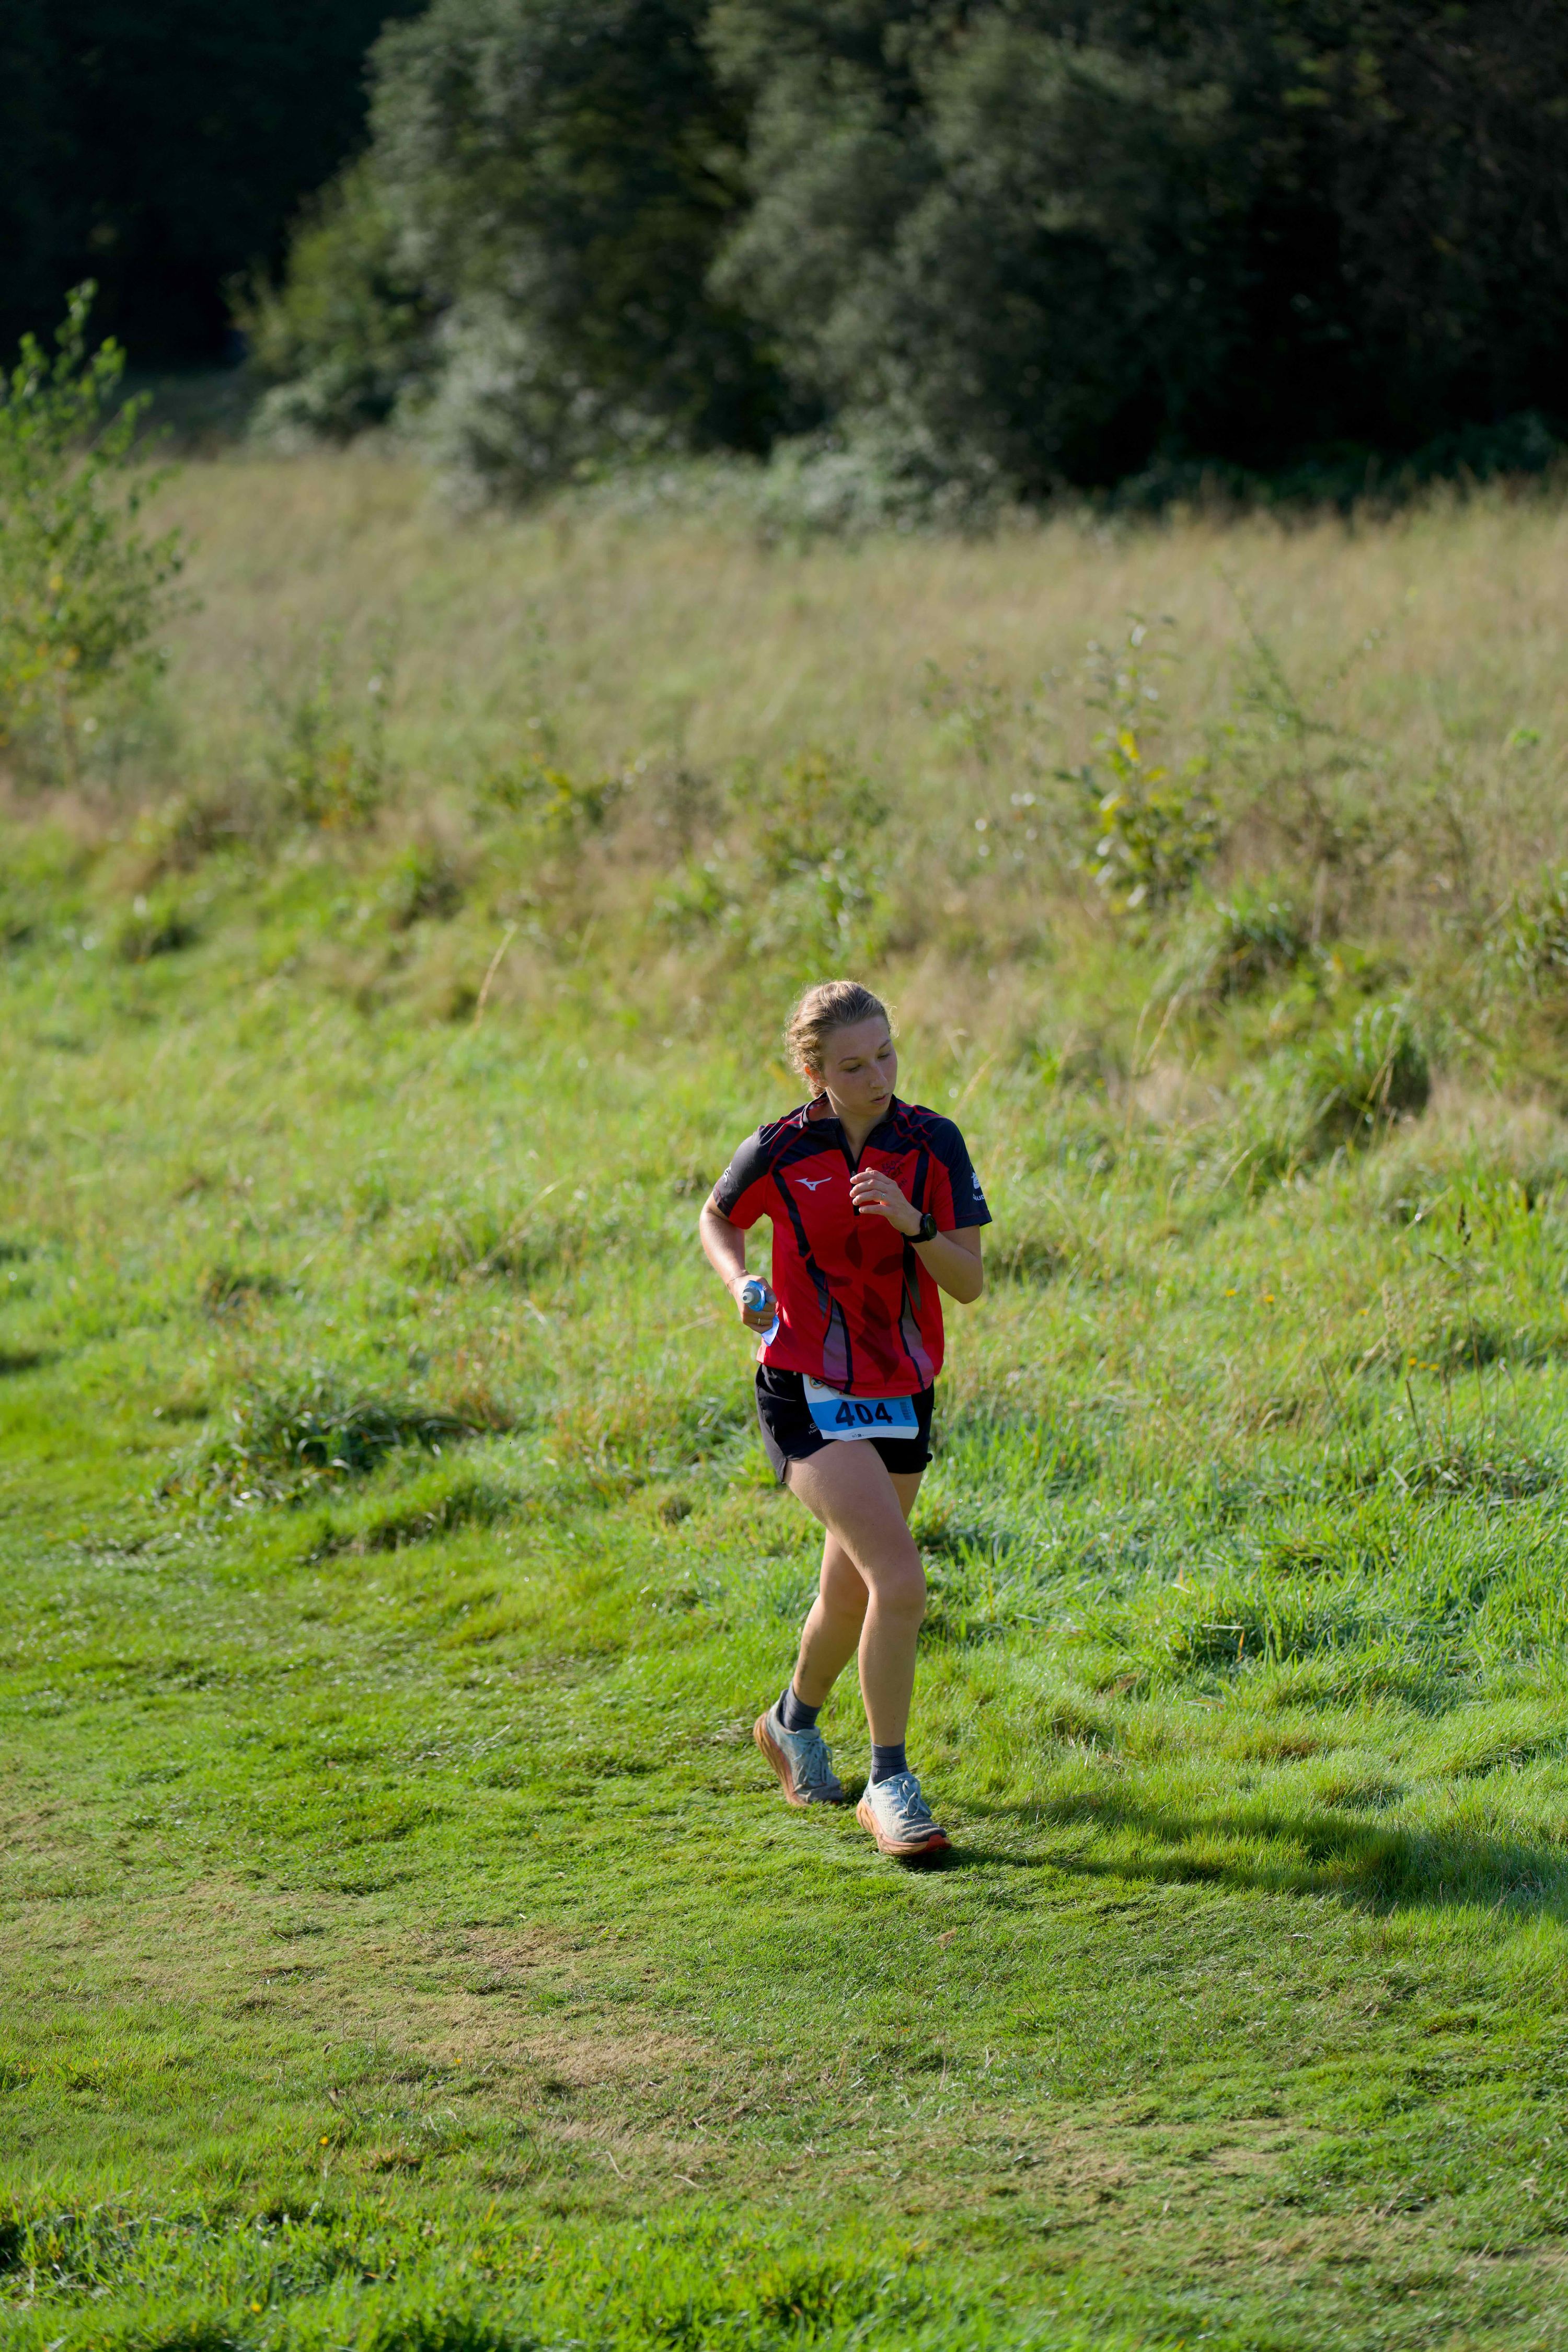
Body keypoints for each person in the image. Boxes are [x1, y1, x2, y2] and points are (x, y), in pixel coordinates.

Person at [698, 979, 989, 1859]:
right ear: (815, 1072)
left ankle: (791, 1723)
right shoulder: (782, 1147)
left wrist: (913, 1223)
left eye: (887, 1054)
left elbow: (968, 1282)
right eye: (854, 1065)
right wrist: (740, 1283)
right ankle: (888, 1783)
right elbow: (718, 1218)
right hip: (803, 1382)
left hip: (902, 1386)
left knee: (854, 1587)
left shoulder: (933, 1143)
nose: (878, 1077)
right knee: (899, 1580)